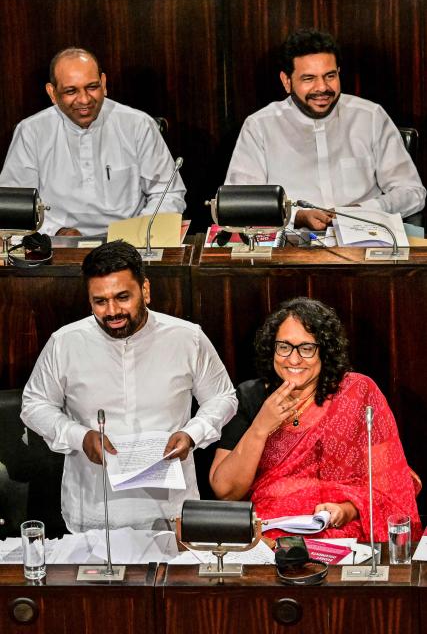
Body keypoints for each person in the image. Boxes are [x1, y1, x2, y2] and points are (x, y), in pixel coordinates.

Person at [21, 240, 237, 532]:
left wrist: (192, 433)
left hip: (170, 508)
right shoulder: (65, 342)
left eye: (123, 297)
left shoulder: (187, 338)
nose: (112, 311)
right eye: (100, 301)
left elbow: (223, 397)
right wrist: (79, 436)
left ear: (145, 290)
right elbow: (34, 405)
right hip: (94, 508)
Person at [209, 297, 422, 542]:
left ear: (325, 350)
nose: (294, 359)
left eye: (307, 348)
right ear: (271, 348)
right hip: (268, 536)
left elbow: (387, 485)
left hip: (343, 535)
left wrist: (347, 510)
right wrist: (261, 426)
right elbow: (225, 492)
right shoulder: (251, 397)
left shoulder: (358, 393)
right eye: (284, 347)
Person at [225, 28, 426, 230]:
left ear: (339, 73)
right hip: (290, 247)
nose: (322, 87)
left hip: (366, 241)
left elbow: (412, 192)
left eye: (329, 76)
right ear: (287, 81)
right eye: (309, 78)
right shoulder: (259, 126)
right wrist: (297, 216)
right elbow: (242, 203)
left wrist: (360, 212)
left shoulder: (370, 116)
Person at [0, 47, 186, 236]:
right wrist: (56, 232)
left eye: (92, 87)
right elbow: (14, 206)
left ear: (104, 84)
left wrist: (134, 234)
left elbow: (168, 195)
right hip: (55, 247)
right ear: (52, 93)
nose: (84, 99)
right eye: (71, 91)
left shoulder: (138, 125)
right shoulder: (31, 131)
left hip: (128, 246)